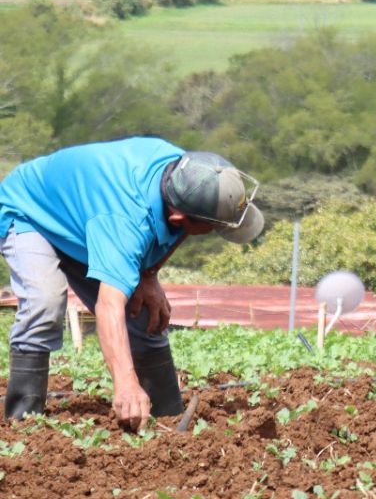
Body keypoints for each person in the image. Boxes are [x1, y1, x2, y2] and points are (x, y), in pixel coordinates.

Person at [0, 137, 264, 430]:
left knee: (143, 315)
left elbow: (181, 230)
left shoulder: (189, 172)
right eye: (211, 226)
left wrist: (149, 275)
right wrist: (125, 384)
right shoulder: (125, 223)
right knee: (45, 302)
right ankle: (22, 422)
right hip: (29, 213)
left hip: (88, 220)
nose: (213, 232)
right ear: (178, 216)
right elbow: (109, 306)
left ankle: (168, 418)